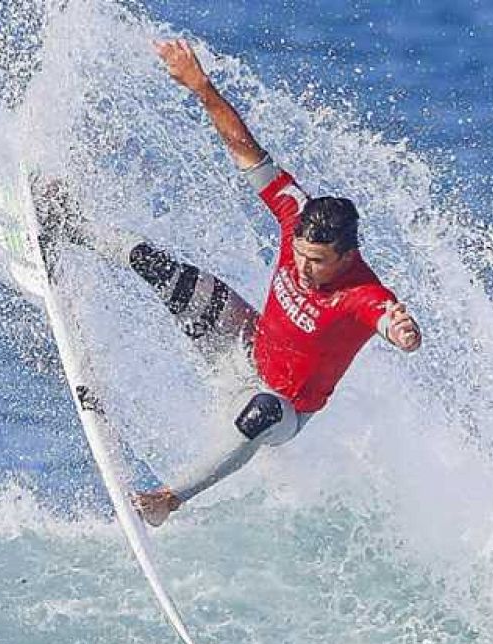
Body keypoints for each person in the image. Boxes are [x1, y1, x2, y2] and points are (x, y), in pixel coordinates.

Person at [34, 38, 423, 527]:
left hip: (286, 409)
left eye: (318, 262)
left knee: (260, 411)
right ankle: (67, 223)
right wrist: (200, 86)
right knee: (159, 267)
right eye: (299, 255)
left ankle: (168, 500)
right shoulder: (294, 213)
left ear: (347, 255)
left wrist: (404, 332)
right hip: (243, 343)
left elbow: (390, 319)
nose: (303, 269)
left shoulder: (363, 294)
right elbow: (245, 148)